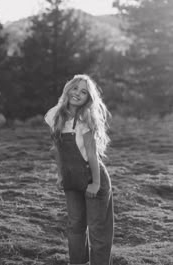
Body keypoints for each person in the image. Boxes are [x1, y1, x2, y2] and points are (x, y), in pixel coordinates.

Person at [44, 74, 114, 265]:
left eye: (84, 92)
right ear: (68, 89)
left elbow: (92, 155)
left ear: (88, 98)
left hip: (93, 177)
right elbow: (57, 149)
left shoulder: (85, 118)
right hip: (71, 178)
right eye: (75, 88)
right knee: (75, 226)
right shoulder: (54, 115)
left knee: (97, 229)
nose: (78, 94)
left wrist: (96, 184)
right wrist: (61, 176)